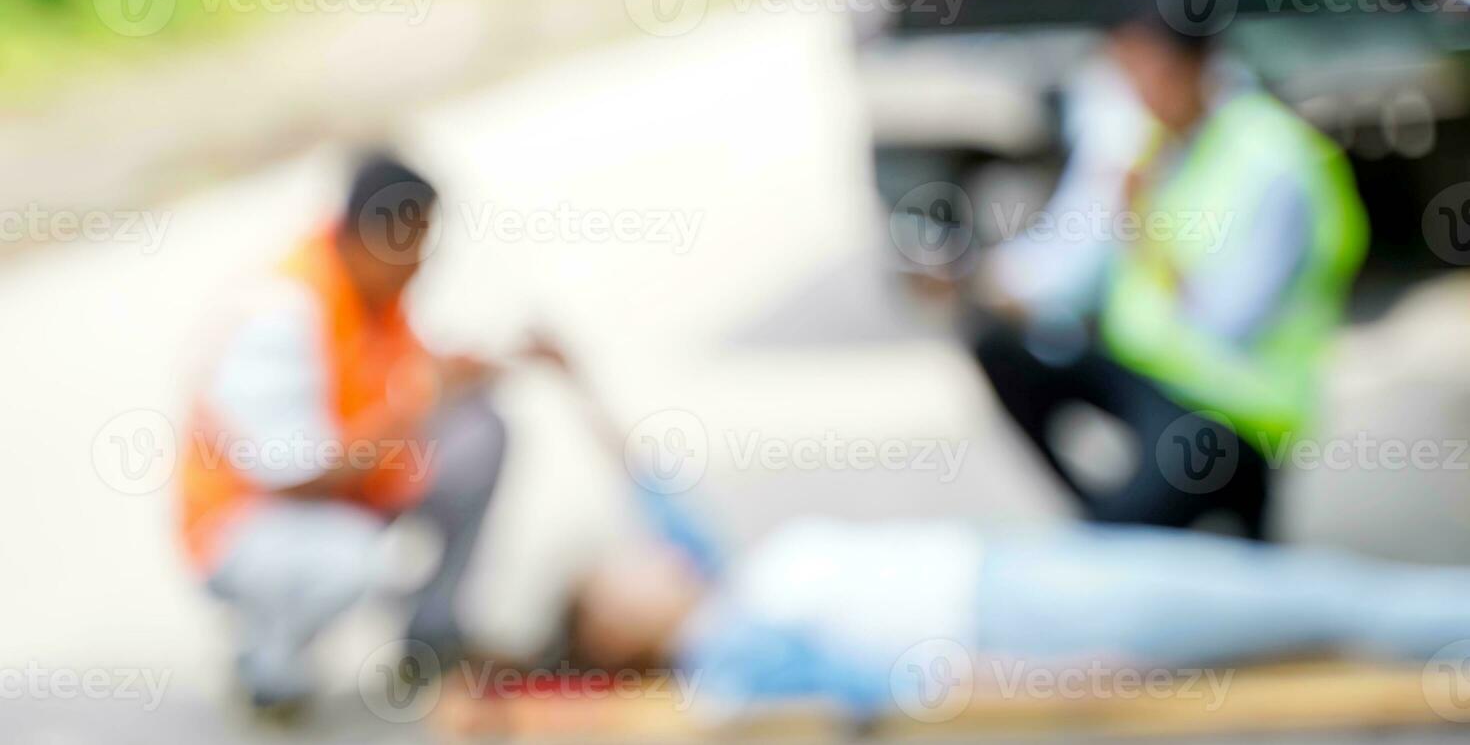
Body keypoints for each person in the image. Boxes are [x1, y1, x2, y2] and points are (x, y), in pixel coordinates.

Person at [973, 0, 1368, 538]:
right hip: (1148, 378)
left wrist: (1146, 224)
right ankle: (1105, 514)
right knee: (999, 345)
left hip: (1231, 408)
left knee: (1115, 542)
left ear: (1198, 63)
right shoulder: (1153, 140)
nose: (1134, 93)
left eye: (1145, 71)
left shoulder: (1272, 160)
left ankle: (1197, 519)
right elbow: (1074, 255)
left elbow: (1227, 322)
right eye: (1123, 74)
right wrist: (1004, 286)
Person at [177, 152, 563, 711]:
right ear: (375, 236)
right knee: (360, 560)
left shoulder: (374, 296)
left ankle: (432, 639)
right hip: (247, 523)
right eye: (415, 244)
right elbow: (297, 475)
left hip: (343, 490)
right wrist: (419, 402)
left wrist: (492, 363)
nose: (423, 265)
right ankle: (269, 666)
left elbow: (403, 377)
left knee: (480, 434)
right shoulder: (283, 311)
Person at [468, 516, 1470, 730]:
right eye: (625, 575)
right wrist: (1061, 684)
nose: (655, 554)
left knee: (1309, 596)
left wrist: (574, 376)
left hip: (1028, 570)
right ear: (615, 633)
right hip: (1031, 615)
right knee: (1320, 599)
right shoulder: (730, 648)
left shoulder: (725, 589)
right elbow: (892, 680)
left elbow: (666, 496)